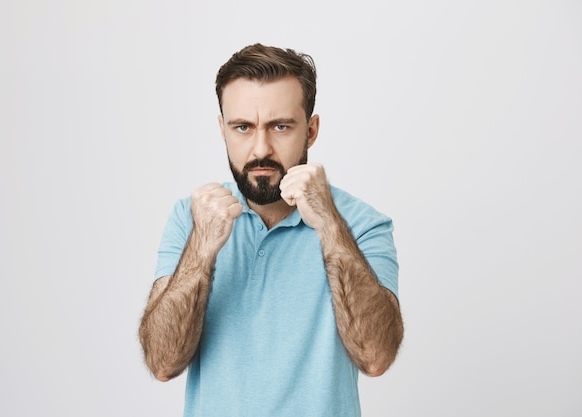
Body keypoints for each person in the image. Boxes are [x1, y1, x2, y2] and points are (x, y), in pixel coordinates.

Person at [139, 43, 404, 417]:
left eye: (280, 126)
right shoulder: (192, 217)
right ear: (223, 130)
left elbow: (375, 357)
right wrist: (202, 248)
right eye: (242, 127)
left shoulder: (361, 223)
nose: (260, 148)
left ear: (310, 130)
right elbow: (163, 363)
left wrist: (329, 225)